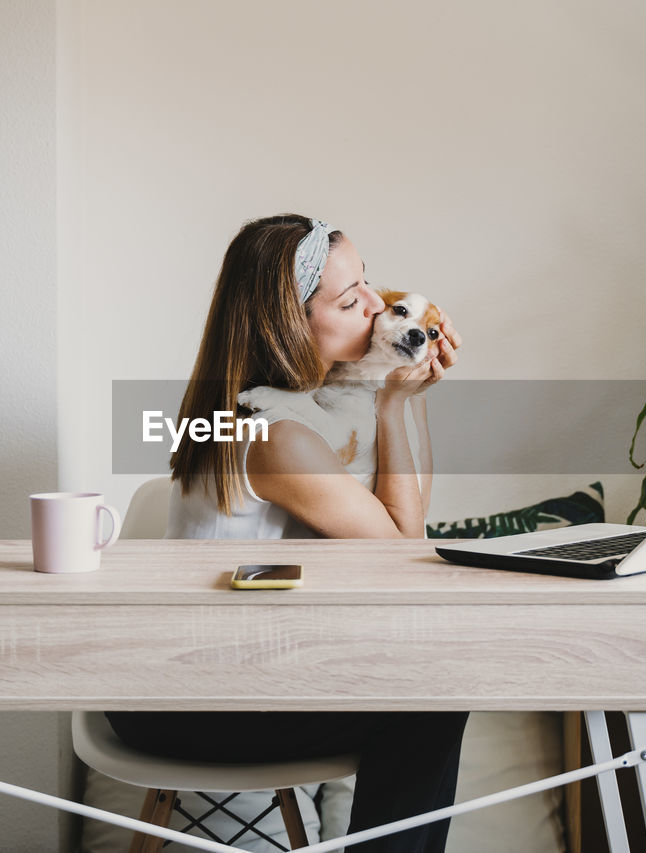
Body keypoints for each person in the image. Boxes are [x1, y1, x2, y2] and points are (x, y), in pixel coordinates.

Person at [107, 214, 467, 853]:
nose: (373, 309)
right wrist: (396, 404)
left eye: (370, 287)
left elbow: (402, 521)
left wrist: (406, 396)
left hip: (172, 678)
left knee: (431, 682)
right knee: (434, 695)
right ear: (291, 322)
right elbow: (406, 550)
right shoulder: (280, 437)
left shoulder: (255, 407)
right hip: (189, 698)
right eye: (349, 299)